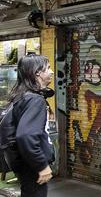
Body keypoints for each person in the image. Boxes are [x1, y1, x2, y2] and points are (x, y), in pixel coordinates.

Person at [4, 54, 55, 197]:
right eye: (48, 68)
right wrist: (41, 165)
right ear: (37, 72)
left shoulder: (22, 96)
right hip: (31, 165)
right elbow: (26, 135)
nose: (51, 72)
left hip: (22, 162)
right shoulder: (34, 100)